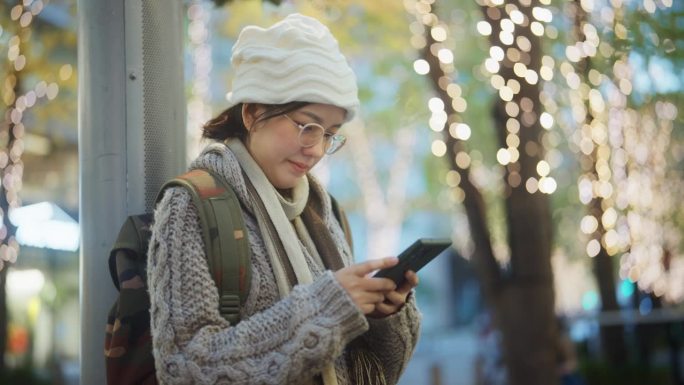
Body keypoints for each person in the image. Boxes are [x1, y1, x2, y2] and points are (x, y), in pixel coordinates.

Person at [146, 13, 422, 385]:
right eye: (307, 125)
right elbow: (185, 369)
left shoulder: (325, 213)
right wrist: (327, 308)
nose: (316, 149)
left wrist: (383, 315)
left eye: (330, 134)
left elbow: (377, 373)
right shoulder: (190, 207)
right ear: (253, 111)